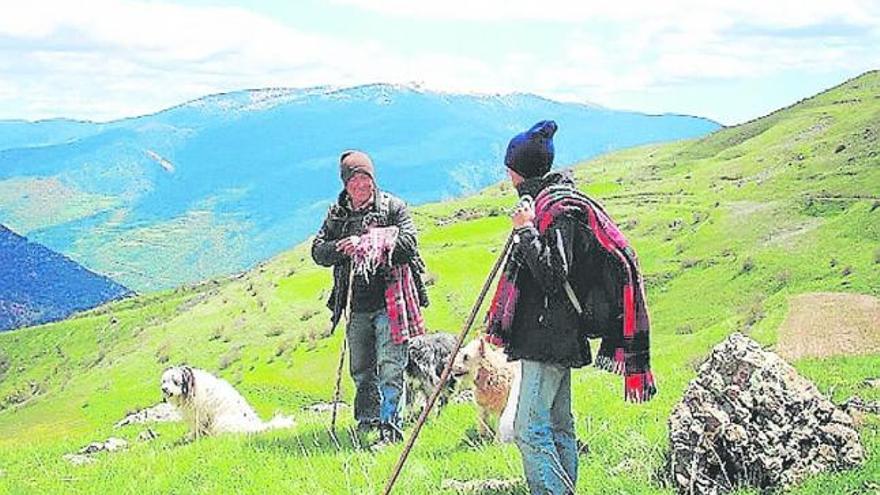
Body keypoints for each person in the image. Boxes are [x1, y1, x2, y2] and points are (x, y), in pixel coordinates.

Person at [486, 121, 656, 494]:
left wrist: (525, 231)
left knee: (529, 430)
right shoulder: (556, 202)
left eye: (510, 166)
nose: (508, 173)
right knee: (560, 425)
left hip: (547, 334)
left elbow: (552, 273)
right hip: (560, 332)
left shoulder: (557, 210)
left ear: (519, 169)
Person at [311, 150, 429, 444]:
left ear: (374, 180)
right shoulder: (337, 215)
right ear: (345, 185)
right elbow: (318, 252)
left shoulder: (393, 208)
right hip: (355, 306)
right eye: (355, 182)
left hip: (391, 303)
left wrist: (368, 242)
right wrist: (341, 247)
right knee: (361, 370)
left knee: (391, 368)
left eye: (366, 180)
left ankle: (391, 430)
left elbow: (408, 244)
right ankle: (367, 422)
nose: (362, 187)